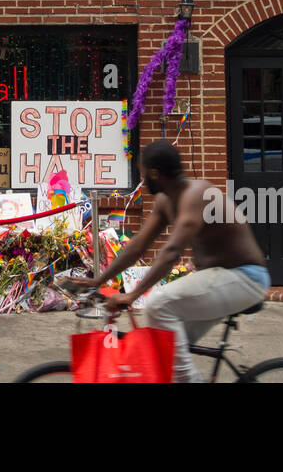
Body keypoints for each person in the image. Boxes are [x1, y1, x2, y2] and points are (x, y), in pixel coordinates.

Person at [70, 140, 270, 383]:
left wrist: (132, 296)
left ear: (155, 173)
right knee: (166, 350)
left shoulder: (197, 195)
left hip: (245, 277)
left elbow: (172, 251)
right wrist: (99, 279)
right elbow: (137, 246)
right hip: (221, 279)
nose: (142, 180)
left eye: (143, 173)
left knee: (158, 304)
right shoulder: (166, 201)